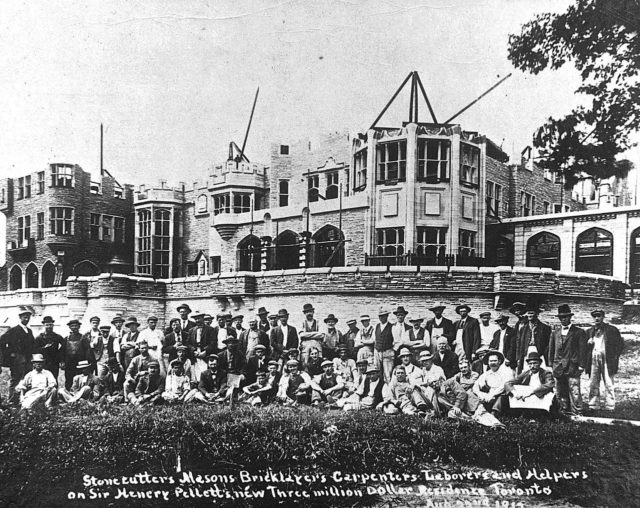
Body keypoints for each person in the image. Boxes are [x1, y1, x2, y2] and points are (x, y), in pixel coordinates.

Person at [548, 304, 587, 416]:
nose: (563, 319)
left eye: (565, 317)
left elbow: (582, 350)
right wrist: (551, 363)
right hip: (558, 366)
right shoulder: (555, 332)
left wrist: (581, 365)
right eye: (561, 317)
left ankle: (577, 411)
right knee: (560, 390)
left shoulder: (579, 332)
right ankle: (564, 410)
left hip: (572, 365)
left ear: (570, 317)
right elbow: (551, 348)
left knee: (574, 389)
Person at [585, 310, 624, 411]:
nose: (596, 318)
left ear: (603, 317)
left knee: (609, 382)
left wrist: (614, 357)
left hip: (607, 359)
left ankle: (610, 405)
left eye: (599, 316)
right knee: (593, 382)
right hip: (594, 359)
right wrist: (588, 344)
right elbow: (583, 347)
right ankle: (593, 404)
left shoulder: (611, 330)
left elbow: (620, 345)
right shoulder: (589, 331)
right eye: (594, 317)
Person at [0, 307, 36, 405]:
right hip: (17, 360)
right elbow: (2, 341)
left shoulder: (29, 331)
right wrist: (10, 354)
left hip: (28, 360)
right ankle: (12, 400)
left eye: (28, 317)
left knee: (26, 379)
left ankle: (25, 399)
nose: (26, 319)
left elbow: (33, 345)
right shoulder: (14, 330)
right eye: (24, 317)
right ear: (20, 318)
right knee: (16, 379)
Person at [505, 351, 555, 417]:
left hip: (540, 394)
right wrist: (515, 393)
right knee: (515, 390)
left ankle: (542, 414)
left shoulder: (546, 373)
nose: (532, 366)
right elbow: (508, 383)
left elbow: (550, 384)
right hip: (528, 396)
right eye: (530, 364)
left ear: (540, 363)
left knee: (549, 396)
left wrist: (532, 392)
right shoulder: (526, 373)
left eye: (535, 363)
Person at [473, 351, 513, 416]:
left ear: (499, 361)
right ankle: (478, 411)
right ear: (488, 362)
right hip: (489, 397)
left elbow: (504, 386)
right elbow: (476, 385)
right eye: (491, 361)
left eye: (495, 361)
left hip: (503, 396)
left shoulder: (506, 371)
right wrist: (481, 395)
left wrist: (492, 395)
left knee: (501, 396)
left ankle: (494, 413)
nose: (492, 363)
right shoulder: (486, 373)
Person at [515, 305, 551, 374]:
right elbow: (519, 344)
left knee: (541, 372)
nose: (529, 315)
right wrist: (518, 358)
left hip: (540, 353)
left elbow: (549, 344)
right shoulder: (523, 328)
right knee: (527, 372)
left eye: (531, 313)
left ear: (537, 314)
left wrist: (545, 354)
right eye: (528, 313)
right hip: (527, 351)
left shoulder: (545, 328)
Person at [61, 319, 94, 391]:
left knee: (79, 379)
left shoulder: (83, 338)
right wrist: (62, 361)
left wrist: (87, 361)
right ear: (69, 327)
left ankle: (80, 394)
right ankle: (69, 394)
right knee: (69, 379)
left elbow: (88, 350)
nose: (74, 327)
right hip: (69, 363)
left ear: (79, 327)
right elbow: (62, 351)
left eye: (76, 326)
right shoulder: (66, 339)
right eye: (72, 326)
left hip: (80, 363)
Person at [409, 351, 445, 415]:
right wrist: (416, 383)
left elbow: (434, 382)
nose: (425, 362)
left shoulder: (437, 369)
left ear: (431, 360)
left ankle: (432, 410)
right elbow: (412, 377)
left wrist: (422, 384)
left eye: (427, 360)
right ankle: (423, 407)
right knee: (414, 389)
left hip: (438, 394)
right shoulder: (424, 370)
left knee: (430, 388)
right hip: (427, 394)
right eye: (423, 361)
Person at [186, 312, 217, 381]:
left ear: (203, 319)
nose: (197, 321)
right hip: (195, 354)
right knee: (196, 372)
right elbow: (188, 343)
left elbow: (213, 342)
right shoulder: (191, 330)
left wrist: (205, 351)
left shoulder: (210, 329)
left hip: (205, 354)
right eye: (196, 319)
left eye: (199, 318)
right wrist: (193, 350)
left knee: (206, 371)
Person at [34, 316, 63, 381]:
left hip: (54, 361)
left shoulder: (57, 336)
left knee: (54, 378)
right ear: (44, 325)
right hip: (43, 362)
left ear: (53, 325)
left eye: (50, 325)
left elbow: (64, 346)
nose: (49, 326)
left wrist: (59, 355)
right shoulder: (39, 337)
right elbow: (35, 350)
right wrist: (44, 348)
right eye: (47, 325)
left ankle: (54, 391)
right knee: (43, 378)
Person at [299, 303, 324, 368]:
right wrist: (316, 334)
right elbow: (301, 335)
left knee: (319, 365)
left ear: (313, 312)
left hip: (317, 348)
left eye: (310, 311)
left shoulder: (318, 322)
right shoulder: (302, 323)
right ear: (304, 314)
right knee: (305, 365)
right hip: (305, 349)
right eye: (307, 312)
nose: (309, 313)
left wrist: (306, 335)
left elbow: (321, 335)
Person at [374, 308, 395, 383]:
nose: (381, 318)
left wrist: (391, 350)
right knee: (377, 372)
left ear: (387, 316)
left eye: (383, 316)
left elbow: (396, 341)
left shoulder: (392, 326)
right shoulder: (377, 326)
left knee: (387, 374)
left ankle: (389, 391)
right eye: (380, 316)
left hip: (387, 352)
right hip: (377, 352)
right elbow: (375, 339)